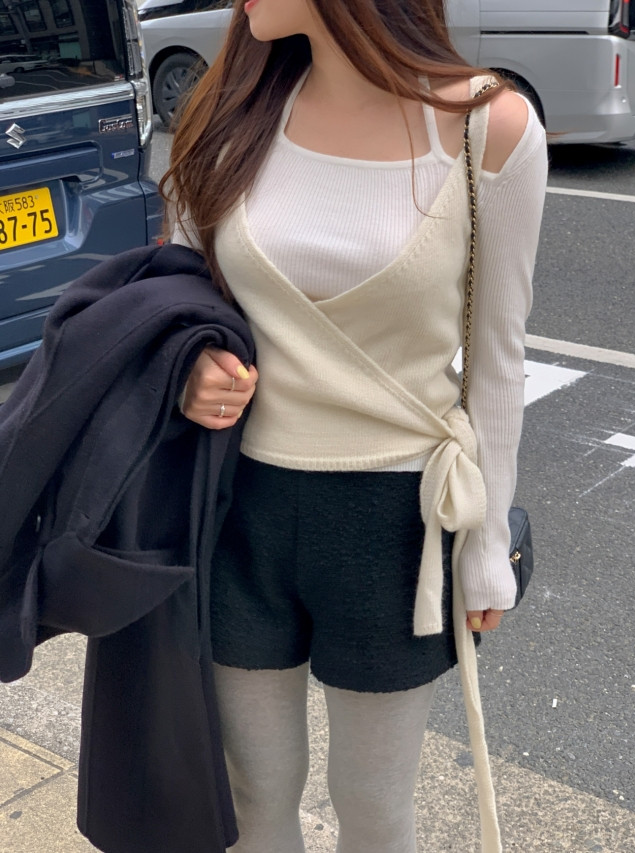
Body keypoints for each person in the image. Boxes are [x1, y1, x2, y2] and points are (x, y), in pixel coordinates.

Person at [161, 1, 548, 851]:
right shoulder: (228, 109)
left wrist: (486, 548)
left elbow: (498, 359)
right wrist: (189, 373)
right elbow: (175, 304)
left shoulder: (490, 129)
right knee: (252, 792)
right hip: (235, 506)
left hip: (394, 524)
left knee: (373, 806)